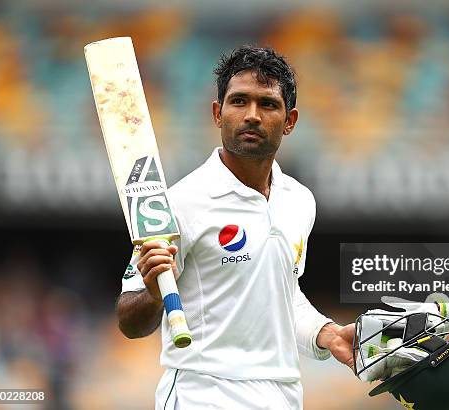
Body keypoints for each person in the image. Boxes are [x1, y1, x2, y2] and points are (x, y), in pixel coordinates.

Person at [116, 46, 355, 409]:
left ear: (289, 121)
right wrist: (152, 293)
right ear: (218, 113)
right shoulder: (179, 204)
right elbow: (130, 322)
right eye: (239, 102)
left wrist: (326, 334)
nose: (252, 116)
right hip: (203, 395)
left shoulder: (300, 201)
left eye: (268, 104)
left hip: (283, 396)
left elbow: (282, 295)